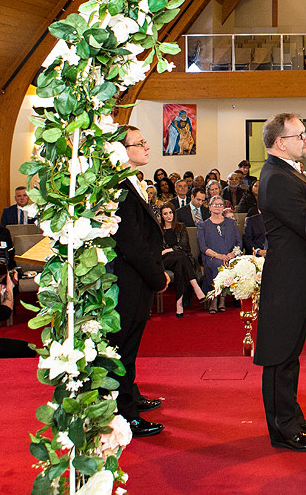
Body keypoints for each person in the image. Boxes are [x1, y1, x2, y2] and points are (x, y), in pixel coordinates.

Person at [255, 113, 306, 453]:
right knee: (280, 355)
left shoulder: (284, 173)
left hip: (294, 275)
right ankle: (283, 429)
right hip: (287, 278)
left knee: (289, 353)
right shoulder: (278, 178)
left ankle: (291, 415)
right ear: (280, 142)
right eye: (300, 135)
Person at [110, 127, 171, 437]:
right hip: (128, 280)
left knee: (130, 346)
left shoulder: (132, 185)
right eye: (140, 143)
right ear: (122, 151)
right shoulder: (119, 189)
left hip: (137, 280)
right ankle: (125, 415)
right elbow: (132, 243)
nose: (147, 147)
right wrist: (157, 276)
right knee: (122, 348)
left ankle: (130, 395)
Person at [157, 203, 207, 317]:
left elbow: (185, 247)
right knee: (181, 258)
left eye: (170, 213)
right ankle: (196, 286)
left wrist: (168, 250)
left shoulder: (180, 227)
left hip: (180, 258)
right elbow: (158, 249)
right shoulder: (158, 229)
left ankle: (179, 304)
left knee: (180, 263)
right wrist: (168, 251)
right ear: (162, 216)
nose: (169, 216)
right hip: (165, 261)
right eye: (165, 214)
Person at [197, 196, 241, 313]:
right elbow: (203, 247)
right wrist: (219, 255)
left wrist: (232, 254)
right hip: (211, 257)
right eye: (215, 204)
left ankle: (221, 298)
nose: (218, 207)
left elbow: (239, 243)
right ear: (210, 207)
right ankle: (215, 298)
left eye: (220, 204)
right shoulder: (203, 225)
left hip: (230, 257)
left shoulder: (231, 223)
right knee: (218, 264)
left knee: (226, 263)